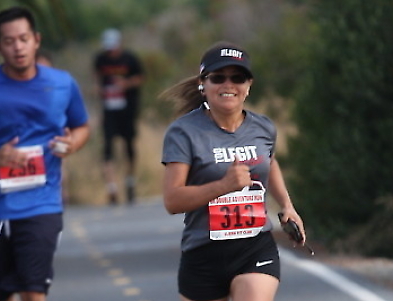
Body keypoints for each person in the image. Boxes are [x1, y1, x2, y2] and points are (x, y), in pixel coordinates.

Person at [0, 6, 90, 301]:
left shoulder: (62, 84)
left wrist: (72, 144)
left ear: (36, 40)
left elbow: (81, 126)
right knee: (0, 296)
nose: (18, 47)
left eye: (23, 39)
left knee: (34, 292)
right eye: (9, 41)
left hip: (42, 203)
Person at [161, 41, 306, 301]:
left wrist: (287, 205)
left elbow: (269, 162)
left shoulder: (263, 128)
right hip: (203, 252)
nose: (228, 85)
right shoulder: (184, 133)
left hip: (254, 247)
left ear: (248, 86)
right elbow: (172, 201)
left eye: (237, 78)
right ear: (203, 84)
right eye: (218, 77)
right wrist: (224, 186)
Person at [93, 28, 144, 205]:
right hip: (109, 110)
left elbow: (140, 78)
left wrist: (125, 83)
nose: (111, 52)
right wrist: (99, 90)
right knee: (108, 147)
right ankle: (112, 188)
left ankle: (130, 182)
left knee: (128, 146)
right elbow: (97, 78)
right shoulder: (101, 59)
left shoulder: (130, 59)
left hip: (127, 110)